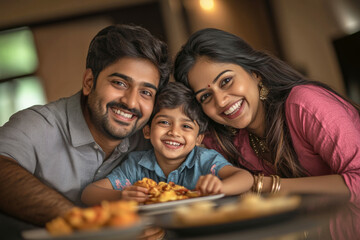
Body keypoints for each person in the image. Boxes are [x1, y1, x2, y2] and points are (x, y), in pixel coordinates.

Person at [174, 28, 360, 239]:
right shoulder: (230, 139)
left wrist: (263, 185)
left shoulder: (304, 105)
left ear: (255, 73)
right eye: (206, 96)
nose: (221, 101)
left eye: (226, 81)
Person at [0, 23, 171, 238]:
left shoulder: (151, 137)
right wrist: (89, 224)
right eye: (119, 83)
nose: (131, 102)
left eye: (146, 92)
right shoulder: (38, 123)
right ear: (89, 82)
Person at [81, 82, 254, 206]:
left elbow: (245, 178)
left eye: (186, 126)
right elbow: (89, 193)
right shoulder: (136, 165)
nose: (174, 132)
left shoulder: (205, 160)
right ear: (147, 131)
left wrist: (221, 186)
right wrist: (122, 196)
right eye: (164, 122)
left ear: (199, 138)